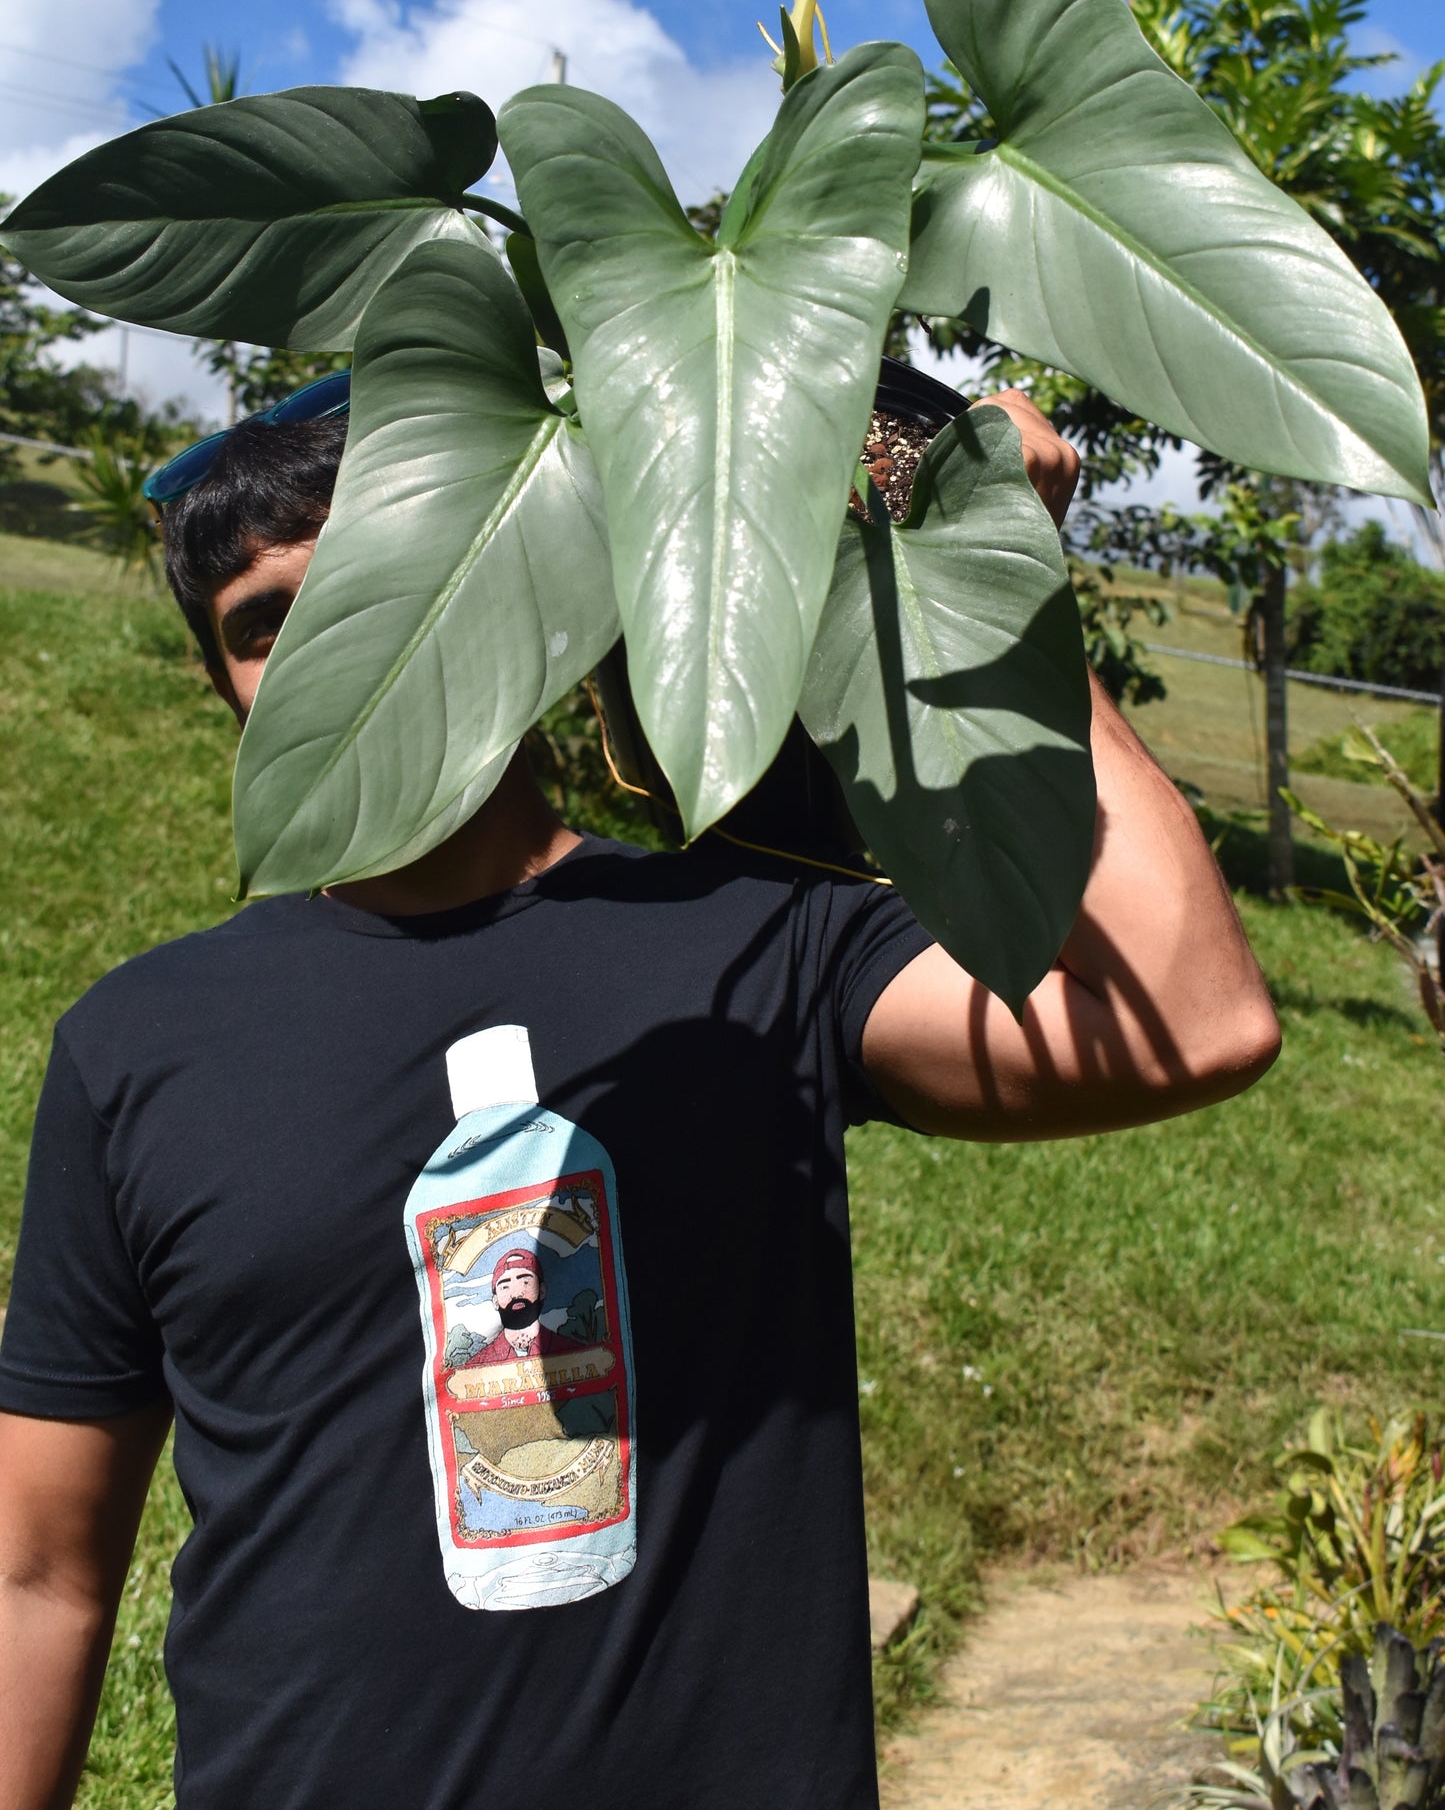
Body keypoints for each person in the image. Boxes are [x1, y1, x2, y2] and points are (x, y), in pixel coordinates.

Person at [0, 381, 1279, 1809]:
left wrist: (994, 571)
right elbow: (40, 1574)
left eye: (365, 576)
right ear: (226, 690)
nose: (322, 649)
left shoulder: (748, 937)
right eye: (259, 622)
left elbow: (1191, 1015)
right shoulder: (138, 1045)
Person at [456, 1248, 580, 1365]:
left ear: (542, 1291)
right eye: (505, 1287)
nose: (516, 1294)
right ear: (495, 1300)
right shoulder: (477, 1365)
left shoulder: (573, 1353)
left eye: (525, 1283)